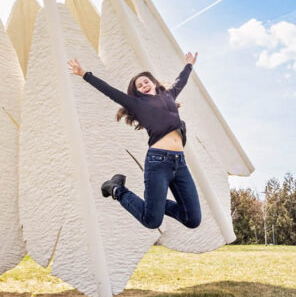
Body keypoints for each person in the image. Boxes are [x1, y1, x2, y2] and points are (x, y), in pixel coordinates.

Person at [66, 53, 202, 231]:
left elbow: (180, 81)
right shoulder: (137, 104)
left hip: (180, 163)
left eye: (146, 81)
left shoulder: (169, 95)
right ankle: (117, 189)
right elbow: (110, 91)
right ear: (137, 92)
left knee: (192, 219)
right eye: (139, 85)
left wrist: (189, 65)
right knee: (152, 221)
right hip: (158, 162)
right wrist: (84, 74)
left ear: (153, 83)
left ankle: (155, 205)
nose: (144, 85)